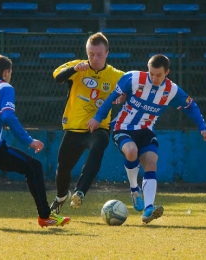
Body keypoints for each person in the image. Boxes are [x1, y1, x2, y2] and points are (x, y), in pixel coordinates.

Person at [88, 54, 206, 224]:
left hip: (146, 131)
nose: (154, 78)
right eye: (151, 74)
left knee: (151, 163)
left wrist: (203, 128)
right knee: (131, 151)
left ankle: (148, 209)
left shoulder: (172, 90)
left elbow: (190, 106)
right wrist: (98, 117)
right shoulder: (132, 78)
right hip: (123, 127)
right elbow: (112, 99)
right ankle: (134, 188)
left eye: (159, 75)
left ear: (167, 72)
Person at [0, 54, 70, 228]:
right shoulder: (5, 87)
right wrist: (29, 141)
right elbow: (7, 115)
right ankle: (45, 216)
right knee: (34, 167)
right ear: (6, 72)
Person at [50, 32, 142, 214]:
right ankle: (61, 196)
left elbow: (136, 88)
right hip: (74, 128)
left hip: (98, 128)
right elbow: (57, 77)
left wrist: (124, 95)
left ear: (107, 53)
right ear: (87, 52)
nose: (95, 58)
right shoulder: (77, 67)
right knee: (63, 169)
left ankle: (80, 192)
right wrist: (75, 69)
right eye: (91, 54)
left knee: (99, 146)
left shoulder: (116, 75)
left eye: (99, 54)